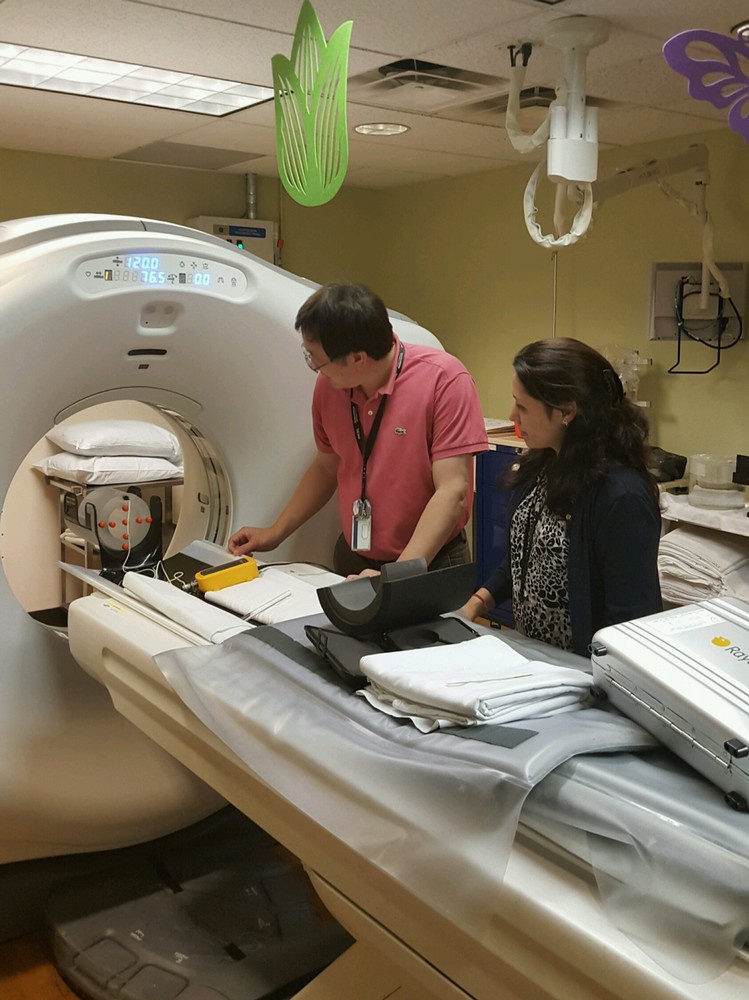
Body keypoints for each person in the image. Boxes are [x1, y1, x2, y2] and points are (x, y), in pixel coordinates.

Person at [229, 282, 488, 576]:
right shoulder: (330, 388)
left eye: (316, 358)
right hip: (355, 558)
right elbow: (327, 467)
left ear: (357, 359)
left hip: (430, 563)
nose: (313, 365)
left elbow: (453, 491)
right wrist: (275, 532)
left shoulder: (445, 380)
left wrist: (398, 575)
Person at [462, 337, 662, 656]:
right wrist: (475, 604)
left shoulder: (622, 495)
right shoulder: (544, 462)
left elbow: (630, 624)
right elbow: (523, 557)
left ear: (566, 412)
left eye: (523, 406)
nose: (512, 413)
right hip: (535, 659)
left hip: (583, 675)